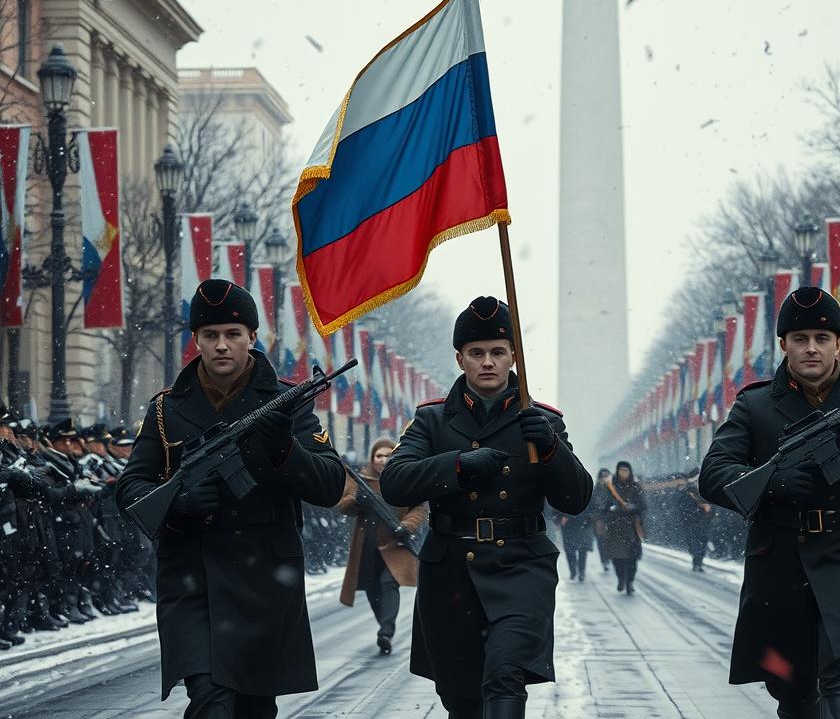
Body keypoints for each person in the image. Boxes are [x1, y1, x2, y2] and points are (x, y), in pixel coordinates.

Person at [116, 279, 345, 719]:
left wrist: (286, 449)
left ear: (253, 338)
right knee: (209, 702)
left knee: (254, 710)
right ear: (196, 340)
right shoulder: (166, 409)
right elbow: (131, 487)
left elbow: (330, 485)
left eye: (233, 335)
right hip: (192, 580)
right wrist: (177, 505)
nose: (222, 346)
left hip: (263, 584)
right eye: (211, 335)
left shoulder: (285, 403)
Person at [699, 286, 840, 719]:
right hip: (781, 556)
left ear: (839, 343)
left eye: (822, 339)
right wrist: (772, 483)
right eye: (800, 339)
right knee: (792, 685)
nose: (812, 349)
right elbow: (713, 475)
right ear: (783, 344)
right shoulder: (756, 404)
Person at [379, 295, 593, 719]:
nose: (488, 362)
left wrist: (552, 450)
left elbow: (576, 498)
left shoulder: (543, 420)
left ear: (514, 356)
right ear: (460, 359)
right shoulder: (432, 420)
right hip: (451, 571)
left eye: (498, 352)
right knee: (461, 699)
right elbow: (395, 483)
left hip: (521, 567)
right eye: (477, 353)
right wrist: (457, 466)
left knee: (505, 677)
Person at [338, 437, 427, 654]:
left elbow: (419, 507)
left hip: (394, 543)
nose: (384, 460)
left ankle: (386, 631)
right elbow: (344, 505)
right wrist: (358, 499)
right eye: (379, 455)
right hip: (366, 545)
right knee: (372, 589)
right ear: (372, 458)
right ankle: (384, 625)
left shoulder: (404, 478)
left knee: (389, 584)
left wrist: (406, 526)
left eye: (388, 455)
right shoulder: (361, 480)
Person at [593, 461, 646, 594]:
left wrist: (632, 508)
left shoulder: (635, 487)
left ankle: (630, 582)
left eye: (626, 470)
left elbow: (642, 505)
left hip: (631, 528)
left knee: (632, 558)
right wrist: (612, 510)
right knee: (617, 558)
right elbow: (603, 506)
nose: (624, 473)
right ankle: (621, 579)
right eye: (622, 470)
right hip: (615, 527)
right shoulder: (610, 487)